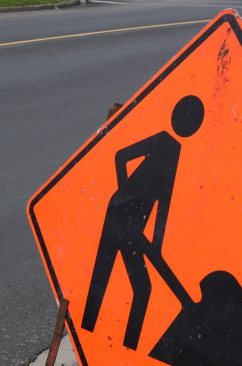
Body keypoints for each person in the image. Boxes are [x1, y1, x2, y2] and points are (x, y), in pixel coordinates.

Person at [81, 95, 205, 350]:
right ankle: (88, 330)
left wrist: (156, 245)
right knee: (101, 276)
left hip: (134, 227)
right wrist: (126, 196)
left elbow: (164, 204)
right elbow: (121, 156)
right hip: (118, 213)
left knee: (143, 289)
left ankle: (129, 349)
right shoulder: (161, 140)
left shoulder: (176, 152)